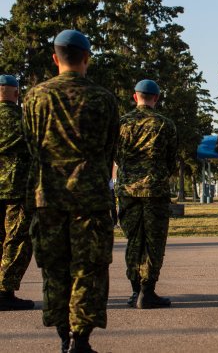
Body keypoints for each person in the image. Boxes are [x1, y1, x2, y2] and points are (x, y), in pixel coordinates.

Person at [23, 29, 119, 352]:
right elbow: (108, 148)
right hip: (89, 198)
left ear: (55, 58)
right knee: (88, 268)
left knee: (54, 268)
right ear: (86, 58)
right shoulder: (104, 99)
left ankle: (64, 334)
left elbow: (31, 145)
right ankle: (80, 337)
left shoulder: (34, 98)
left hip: (47, 196)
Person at [115, 79, 178, 309]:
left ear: (135, 97)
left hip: (128, 190)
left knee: (134, 240)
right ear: (156, 98)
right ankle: (147, 290)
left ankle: (134, 290)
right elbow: (171, 159)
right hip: (155, 190)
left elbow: (116, 155)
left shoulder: (121, 123)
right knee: (154, 241)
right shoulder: (165, 124)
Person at [0, 74, 34, 311]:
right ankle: (5, 290)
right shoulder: (25, 121)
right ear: (16, 93)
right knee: (17, 239)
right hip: (16, 188)